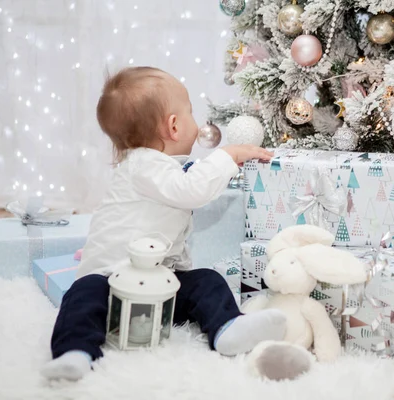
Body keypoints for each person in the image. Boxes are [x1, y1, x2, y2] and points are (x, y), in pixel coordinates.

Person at [41, 67, 285, 381]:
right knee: (82, 294)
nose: (196, 123)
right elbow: (192, 192)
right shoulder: (143, 164)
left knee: (206, 281)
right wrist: (228, 155)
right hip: (111, 280)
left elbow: (179, 213)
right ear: (173, 126)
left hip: (161, 285)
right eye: (190, 113)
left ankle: (227, 328)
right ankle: (74, 351)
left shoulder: (164, 169)